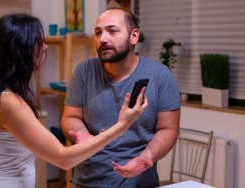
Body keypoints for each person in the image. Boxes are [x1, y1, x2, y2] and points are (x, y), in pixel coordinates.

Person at [0, 13, 148, 188]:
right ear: (22, 49)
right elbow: (64, 159)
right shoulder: (7, 102)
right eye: (39, 42)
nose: (45, 47)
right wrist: (122, 125)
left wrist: (85, 138)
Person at [61, 8, 181, 188]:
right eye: (98, 32)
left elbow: (168, 129)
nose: (103, 39)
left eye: (112, 31)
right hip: (87, 182)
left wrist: (146, 157)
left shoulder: (160, 76)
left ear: (134, 36)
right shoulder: (84, 71)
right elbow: (70, 118)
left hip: (140, 182)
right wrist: (84, 137)